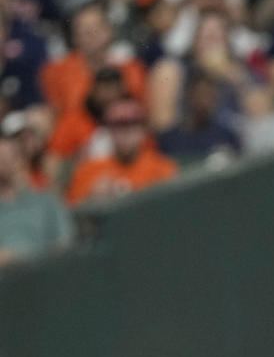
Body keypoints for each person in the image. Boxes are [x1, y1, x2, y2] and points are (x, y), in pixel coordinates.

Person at [66, 98, 177, 205]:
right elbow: (71, 214)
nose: (126, 132)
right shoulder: (88, 170)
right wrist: (91, 199)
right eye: (119, 125)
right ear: (108, 130)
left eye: (133, 123)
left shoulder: (162, 169)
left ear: (144, 129)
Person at [0, 133, 73, 268]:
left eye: (11, 157)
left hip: (42, 276)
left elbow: (65, 244)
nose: (5, 164)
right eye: (1, 159)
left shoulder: (46, 203)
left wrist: (20, 259)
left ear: (22, 159)